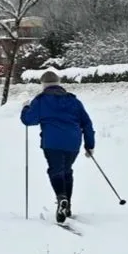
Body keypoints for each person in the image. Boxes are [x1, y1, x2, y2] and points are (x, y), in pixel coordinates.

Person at [19, 71, 96, 224]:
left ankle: (61, 198)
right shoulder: (74, 101)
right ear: (59, 83)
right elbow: (87, 123)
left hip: (52, 142)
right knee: (66, 170)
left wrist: (25, 107)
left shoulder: (41, 100)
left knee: (55, 170)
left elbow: (28, 120)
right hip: (73, 142)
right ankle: (67, 206)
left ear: (43, 85)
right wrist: (90, 145)